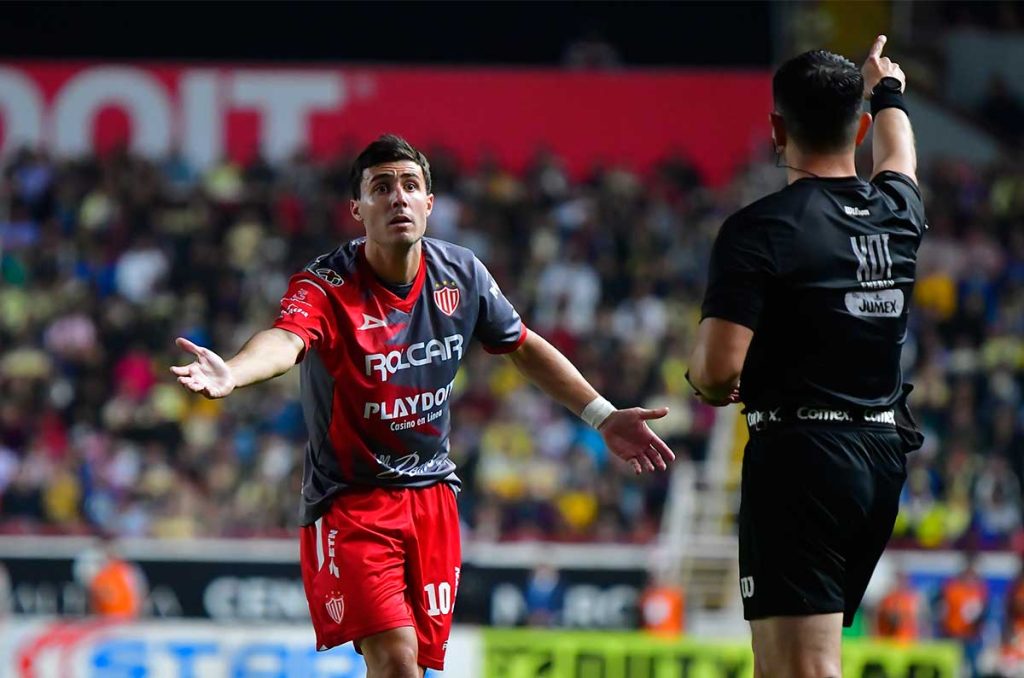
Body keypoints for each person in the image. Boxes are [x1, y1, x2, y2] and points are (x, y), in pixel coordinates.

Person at [170, 134, 674, 677]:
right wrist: (234, 372)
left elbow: (521, 345)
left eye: (410, 186)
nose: (398, 199)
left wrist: (601, 415)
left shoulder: (462, 274)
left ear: (430, 205)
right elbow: (286, 340)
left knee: (414, 666)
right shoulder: (326, 283)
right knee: (397, 658)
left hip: (433, 496)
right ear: (356, 209)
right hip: (353, 501)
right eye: (381, 188)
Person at [687, 36, 925, 677]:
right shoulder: (897, 211)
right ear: (861, 128)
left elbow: (715, 372)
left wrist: (707, 384)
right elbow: (900, 154)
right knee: (782, 665)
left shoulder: (760, 229)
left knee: (804, 668)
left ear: (775, 129)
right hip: (879, 456)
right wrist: (888, 87)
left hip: (802, 459)